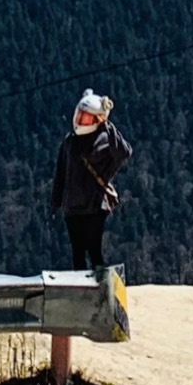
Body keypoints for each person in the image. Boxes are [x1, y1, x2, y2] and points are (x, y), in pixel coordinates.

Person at [50, 90, 131, 271]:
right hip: (72, 208)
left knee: (94, 251)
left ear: (97, 119)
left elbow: (124, 152)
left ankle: (100, 291)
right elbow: (61, 172)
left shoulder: (105, 140)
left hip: (95, 207)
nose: (80, 119)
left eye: (85, 116)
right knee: (77, 253)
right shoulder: (70, 141)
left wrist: (108, 127)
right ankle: (82, 292)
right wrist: (56, 202)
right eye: (80, 114)